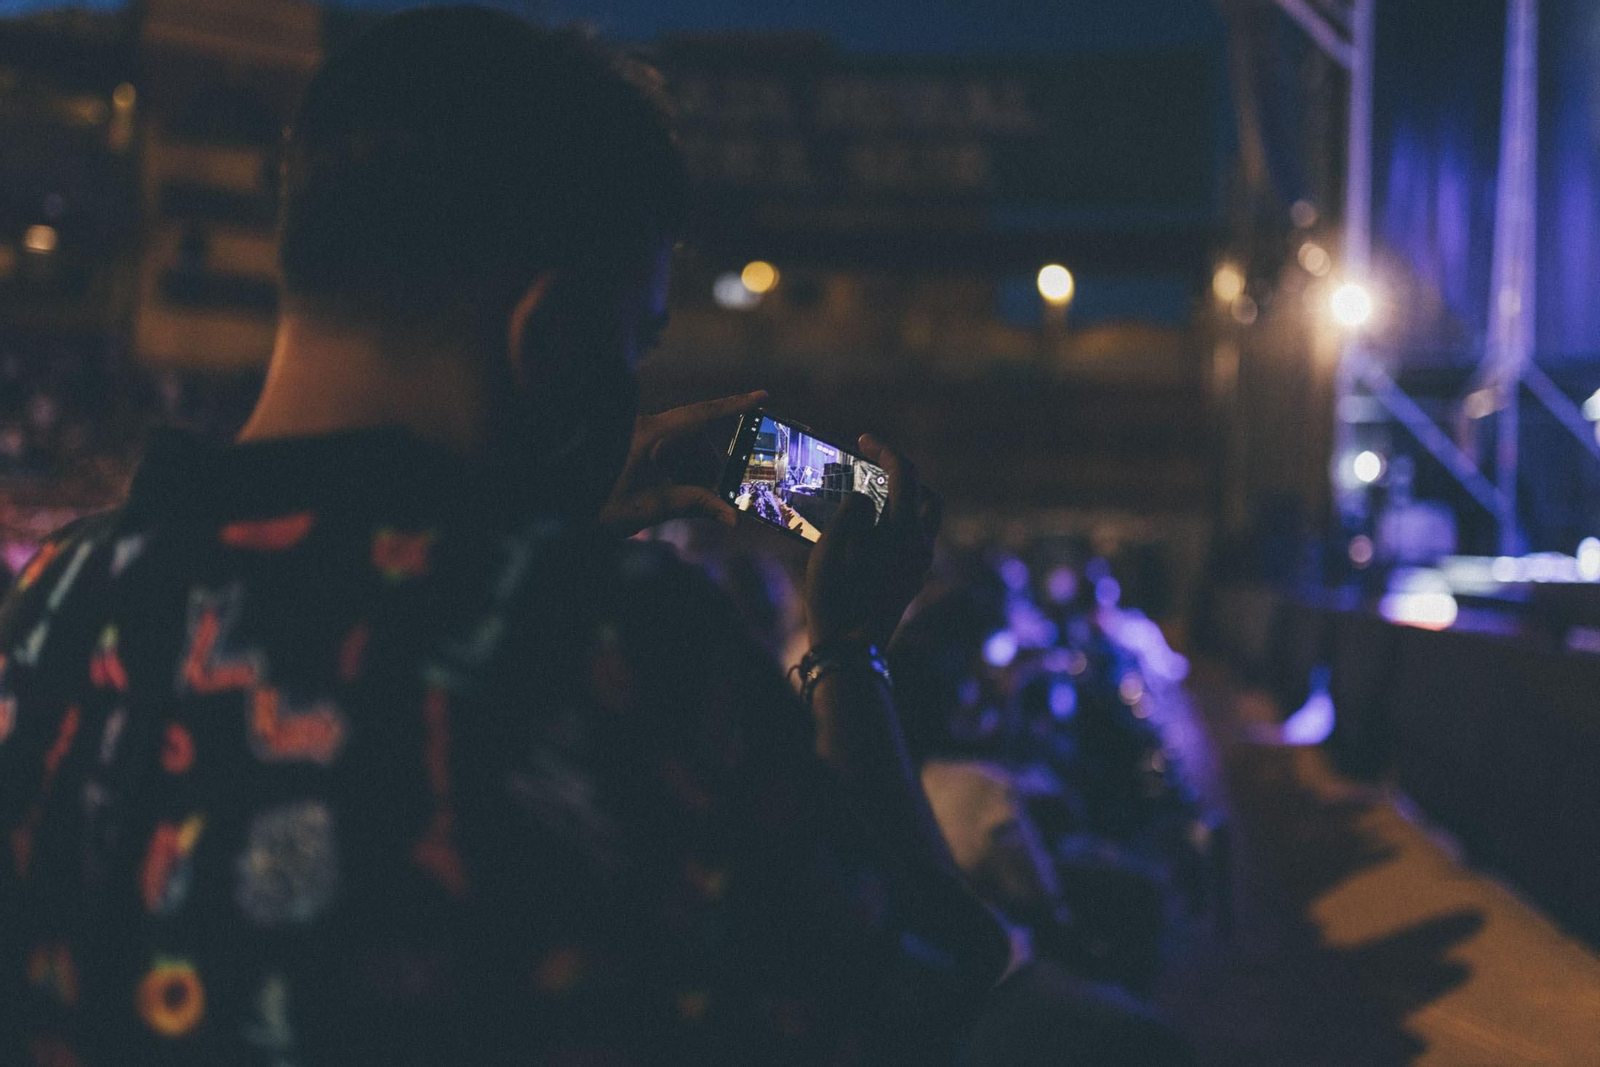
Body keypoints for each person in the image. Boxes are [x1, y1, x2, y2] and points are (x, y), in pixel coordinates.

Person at [0, 9, 1009, 1066]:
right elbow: (924, 981)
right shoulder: (616, 643)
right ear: (554, 336)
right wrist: (849, 649)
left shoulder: (60, 601)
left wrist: (539, 527)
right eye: (632, 340)